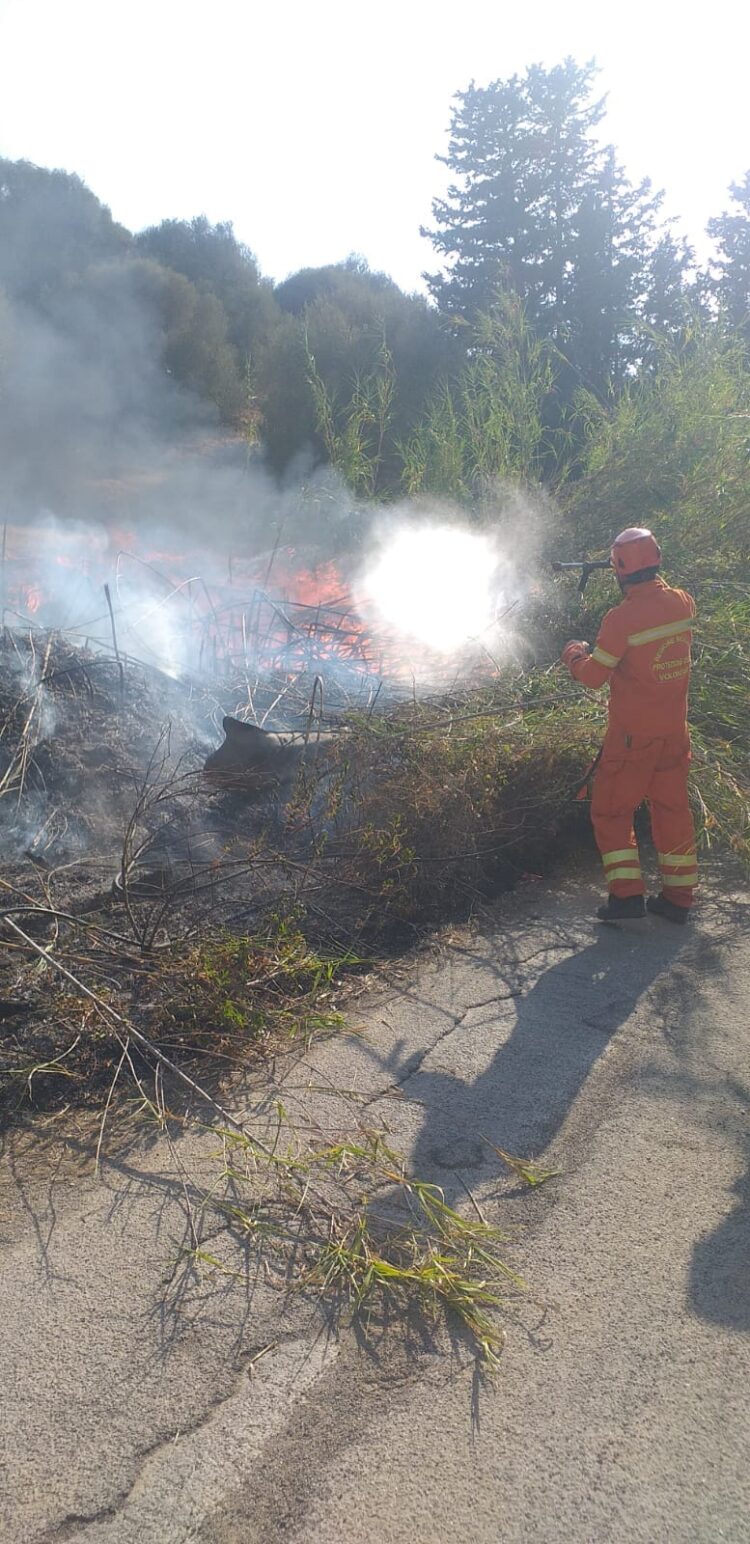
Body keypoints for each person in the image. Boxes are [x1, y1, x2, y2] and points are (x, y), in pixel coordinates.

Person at [561, 527, 697, 924]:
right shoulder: (682, 603)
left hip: (632, 738)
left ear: (619, 570)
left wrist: (574, 654)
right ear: (657, 558)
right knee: (672, 810)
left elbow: (593, 677)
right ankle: (678, 898)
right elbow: (659, 599)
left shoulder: (620, 620)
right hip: (674, 733)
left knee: (610, 812)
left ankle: (626, 897)